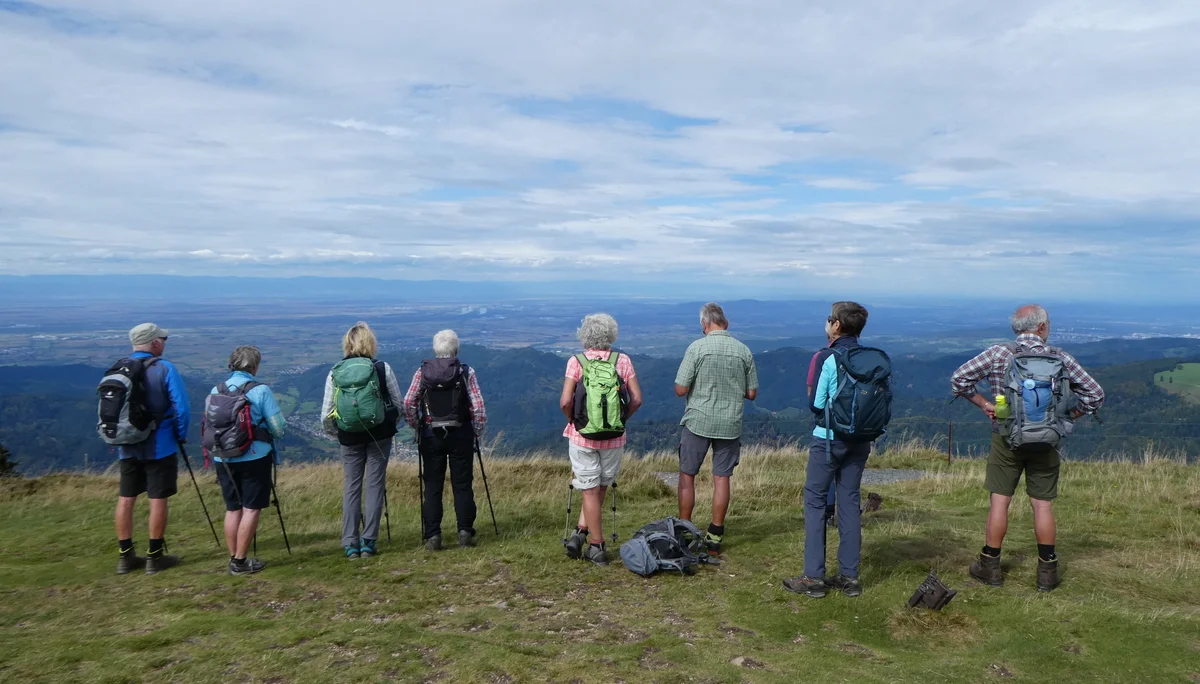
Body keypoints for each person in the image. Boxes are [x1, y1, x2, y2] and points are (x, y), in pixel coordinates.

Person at [952, 304, 1104, 592]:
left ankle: (990, 566)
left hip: (1006, 437)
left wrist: (985, 404)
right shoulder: (1059, 358)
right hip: (1047, 440)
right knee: (1042, 504)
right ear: (1042, 327)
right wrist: (1068, 417)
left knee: (1000, 501)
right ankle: (1046, 572)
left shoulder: (998, 354)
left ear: (1016, 328)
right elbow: (1095, 395)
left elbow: (959, 379)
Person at [784, 301, 873, 598]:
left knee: (815, 501)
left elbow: (816, 404)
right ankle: (849, 577)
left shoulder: (827, 357)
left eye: (829, 319)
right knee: (849, 502)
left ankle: (813, 577)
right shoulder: (870, 358)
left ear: (836, 325)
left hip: (828, 438)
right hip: (860, 439)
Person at [673, 302, 757, 553]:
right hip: (730, 423)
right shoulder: (743, 351)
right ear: (725, 323)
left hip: (698, 420)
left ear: (704, 324)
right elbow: (751, 393)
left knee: (687, 476)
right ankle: (715, 535)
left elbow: (680, 389)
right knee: (722, 479)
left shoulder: (697, 348)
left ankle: (685, 531)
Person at [560, 313, 643, 565]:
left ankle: (596, 545)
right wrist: (622, 420)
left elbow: (565, 401)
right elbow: (637, 398)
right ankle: (581, 533)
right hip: (614, 438)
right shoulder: (623, 360)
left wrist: (575, 421)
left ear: (585, 335)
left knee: (589, 489)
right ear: (611, 335)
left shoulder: (577, 362)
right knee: (600, 487)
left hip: (583, 437)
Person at [321, 322, 403, 561]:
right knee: (375, 485)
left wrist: (336, 434)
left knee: (351, 487)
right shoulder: (381, 368)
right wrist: (391, 426)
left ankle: (350, 544)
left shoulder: (335, 371)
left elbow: (327, 413)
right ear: (371, 343)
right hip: (379, 435)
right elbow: (398, 404)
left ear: (347, 344)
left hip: (348, 437)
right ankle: (368, 542)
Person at [113, 323, 190, 575]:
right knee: (158, 499)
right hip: (160, 444)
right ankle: (154, 557)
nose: (164, 342)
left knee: (126, 499)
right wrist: (180, 435)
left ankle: (125, 557)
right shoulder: (165, 368)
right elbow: (182, 409)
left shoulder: (119, 369)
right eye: (162, 338)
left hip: (127, 445)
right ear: (154, 343)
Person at [403, 330, 488, 551]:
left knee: (432, 485)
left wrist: (417, 426)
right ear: (456, 349)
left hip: (431, 435)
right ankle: (464, 532)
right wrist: (475, 432)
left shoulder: (423, 372)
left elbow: (409, 401)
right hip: (460, 433)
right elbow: (478, 407)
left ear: (435, 349)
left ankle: (433, 536)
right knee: (462, 484)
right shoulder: (465, 372)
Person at [208, 346, 286, 576]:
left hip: (223, 457)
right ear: (254, 366)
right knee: (251, 509)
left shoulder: (216, 389)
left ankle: (234, 557)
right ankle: (241, 562)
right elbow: (278, 428)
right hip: (254, 456)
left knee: (233, 509)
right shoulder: (260, 391)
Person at [807, 333, 838, 527]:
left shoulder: (822, 357)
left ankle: (826, 514)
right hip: (858, 432)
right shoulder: (863, 358)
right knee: (849, 488)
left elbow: (814, 400)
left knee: (819, 483)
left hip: (828, 431)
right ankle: (842, 514)